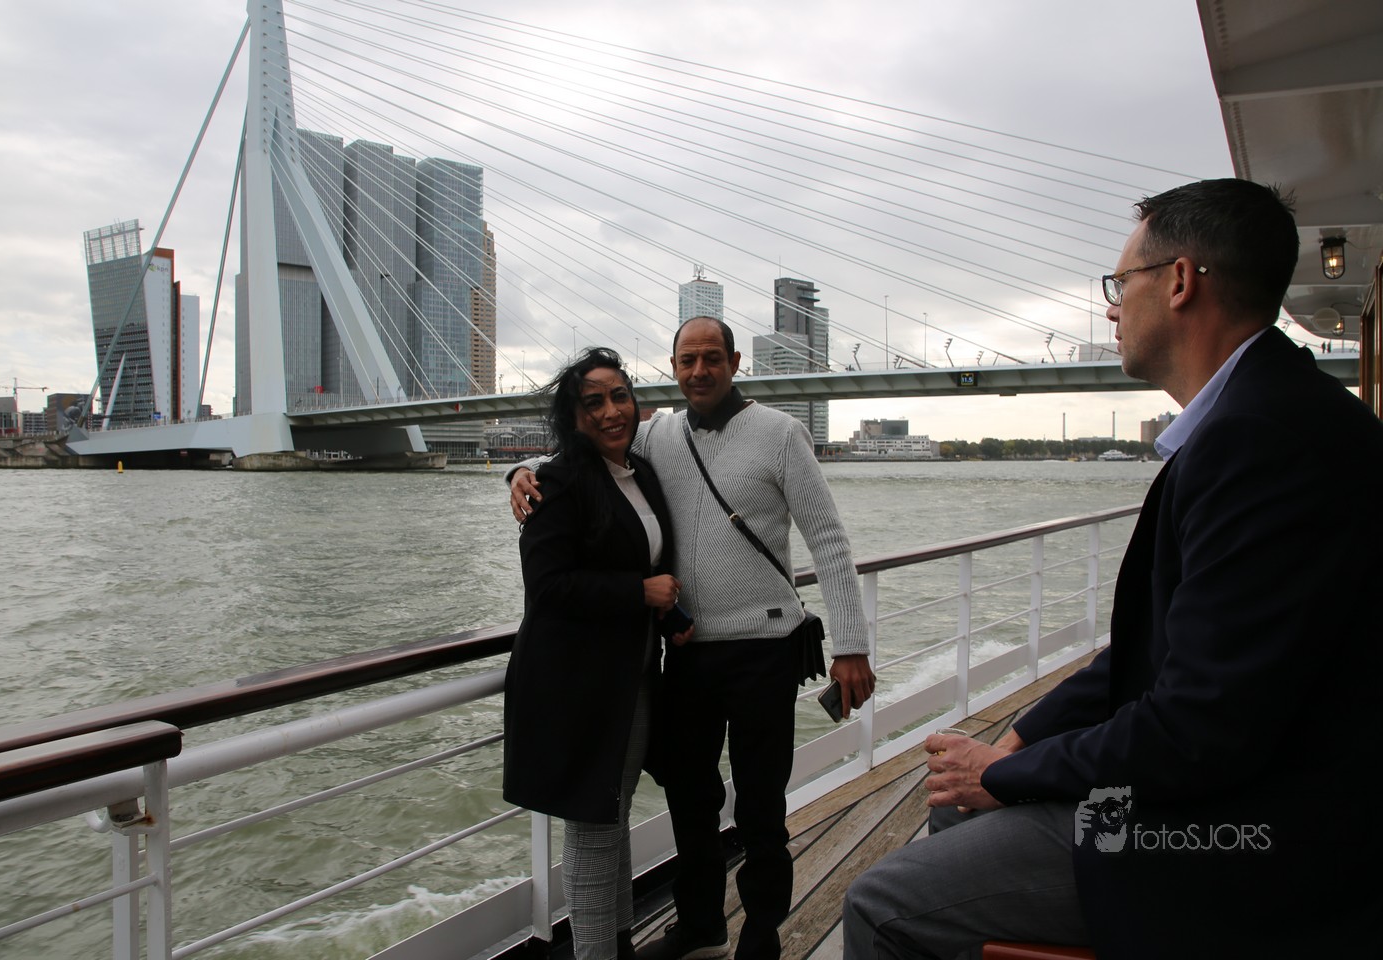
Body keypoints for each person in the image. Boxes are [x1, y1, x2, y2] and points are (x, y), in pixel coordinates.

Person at [842, 178, 1382, 958]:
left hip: (1253, 841)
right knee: (956, 805)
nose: (1110, 309)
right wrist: (1022, 738)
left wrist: (1008, 774)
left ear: (1180, 281)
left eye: (1120, 283)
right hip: (1252, 795)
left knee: (881, 903)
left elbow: (1199, 728)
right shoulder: (1269, 415)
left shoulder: (1262, 442)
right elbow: (1151, 652)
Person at [511, 316, 877, 960]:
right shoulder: (658, 434)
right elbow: (580, 451)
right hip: (688, 654)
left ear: (734, 362)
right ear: (674, 367)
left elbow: (828, 540)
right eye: (687, 360)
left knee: (761, 806)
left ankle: (761, 937)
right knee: (690, 800)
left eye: (712, 358)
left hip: (765, 648)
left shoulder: (780, 434)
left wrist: (850, 645)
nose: (699, 371)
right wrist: (517, 471)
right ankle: (702, 924)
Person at [502, 347, 683, 960]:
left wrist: (669, 613)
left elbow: (646, 556)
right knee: (592, 826)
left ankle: (617, 941)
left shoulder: (639, 472)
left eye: (620, 396)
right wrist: (638, 592)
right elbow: (547, 587)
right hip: (576, 684)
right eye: (594, 402)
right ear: (573, 416)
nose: (611, 411)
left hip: (631, 677)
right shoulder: (557, 482)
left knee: (613, 813)